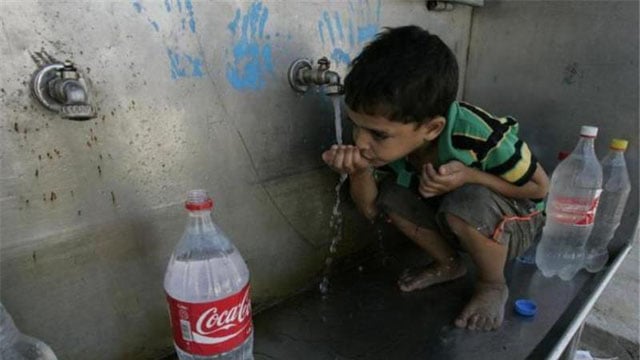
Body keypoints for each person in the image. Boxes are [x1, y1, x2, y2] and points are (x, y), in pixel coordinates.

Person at [321, 25, 549, 331]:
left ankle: (492, 283)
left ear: (431, 128)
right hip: (453, 218)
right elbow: (371, 209)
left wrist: (470, 176)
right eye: (355, 125)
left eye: (377, 134)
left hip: (517, 222)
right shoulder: (393, 143)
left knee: (468, 200)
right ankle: (449, 264)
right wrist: (359, 170)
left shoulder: (478, 133)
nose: (360, 142)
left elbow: (540, 188)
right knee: (391, 196)